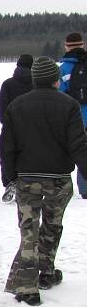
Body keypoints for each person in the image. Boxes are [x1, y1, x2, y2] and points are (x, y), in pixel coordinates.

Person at [0, 57, 87, 305]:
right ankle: (45, 273)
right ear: (56, 81)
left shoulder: (17, 106)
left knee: (29, 230)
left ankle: (28, 285)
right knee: (52, 225)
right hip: (59, 178)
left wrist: (9, 176)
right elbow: (78, 144)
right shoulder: (69, 104)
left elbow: (7, 145)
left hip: (27, 178)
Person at [0, 54, 34, 203]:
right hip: (33, 128)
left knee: (7, 154)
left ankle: (10, 181)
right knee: (30, 155)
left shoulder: (7, 84)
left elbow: (2, 107)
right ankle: (28, 182)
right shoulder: (36, 84)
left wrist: (6, 123)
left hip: (11, 126)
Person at [59, 32, 87, 198]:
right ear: (83, 45)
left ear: (67, 46)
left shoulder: (63, 69)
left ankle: (82, 190)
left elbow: (60, 96)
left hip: (74, 120)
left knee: (77, 152)